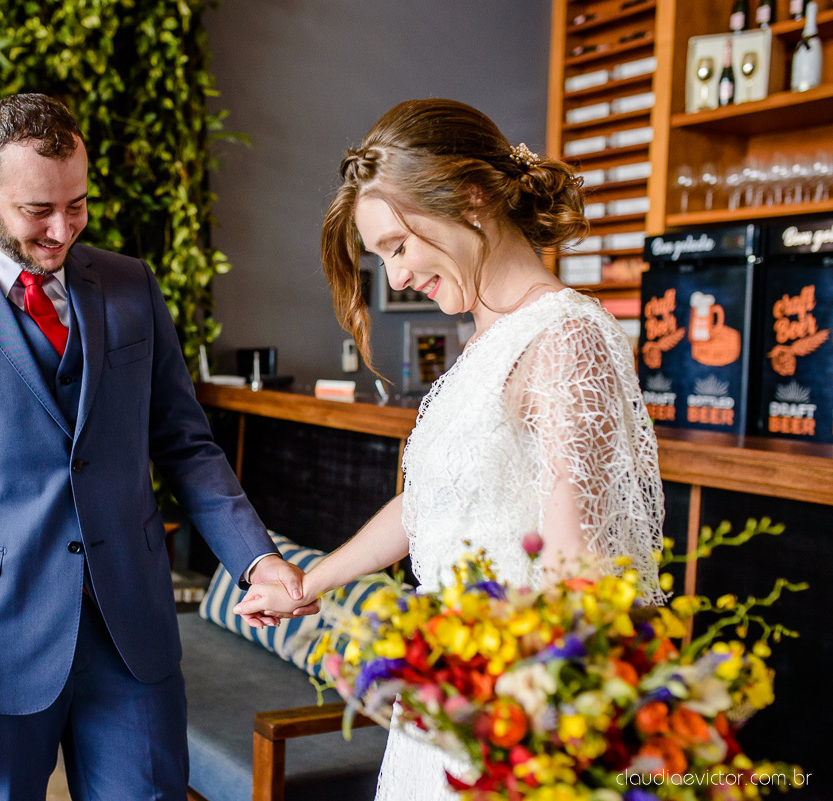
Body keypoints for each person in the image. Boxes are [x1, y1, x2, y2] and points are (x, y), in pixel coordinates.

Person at [0, 93, 305, 801]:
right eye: (38, 210)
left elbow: (186, 444)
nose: (61, 229)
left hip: (133, 637)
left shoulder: (131, 286)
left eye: (78, 205)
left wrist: (257, 558)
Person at [233, 98, 665, 801]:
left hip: (512, 713)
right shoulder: (489, 340)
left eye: (398, 247)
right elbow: (429, 505)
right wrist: (308, 584)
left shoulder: (565, 339)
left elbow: (578, 579)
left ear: (470, 198)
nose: (396, 278)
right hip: (445, 702)